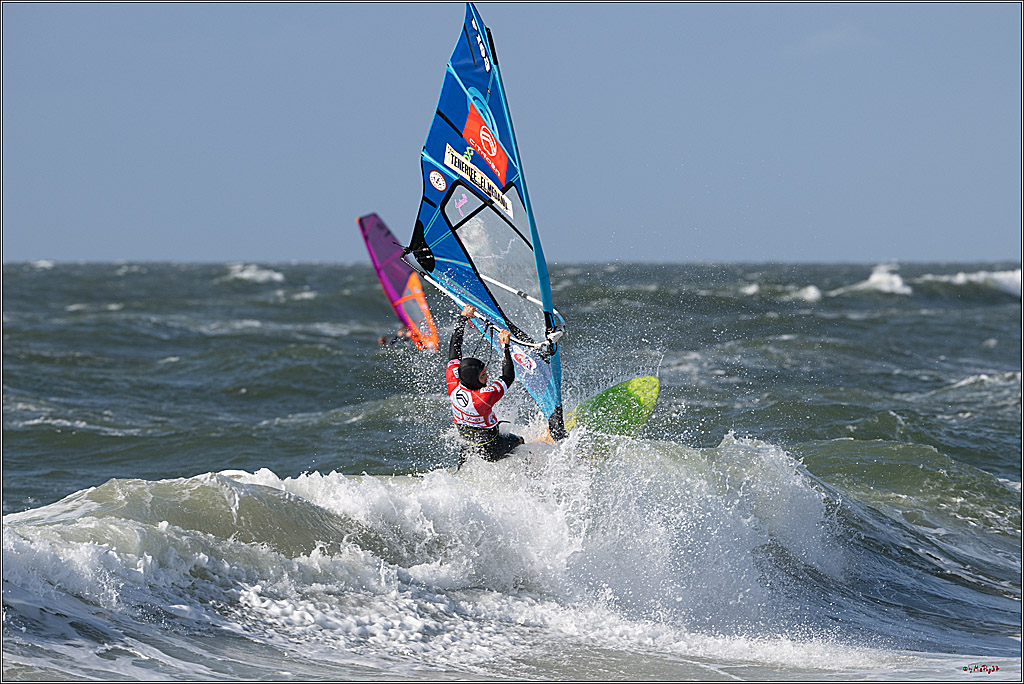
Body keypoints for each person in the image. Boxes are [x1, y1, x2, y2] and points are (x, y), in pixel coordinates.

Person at [447, 304, 525, 462]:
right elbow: (508, 376)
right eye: (483, 375)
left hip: (468, 442)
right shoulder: (484, 397)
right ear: (475, 379)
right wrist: (505, 346)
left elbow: (455, 349)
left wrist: (463, 318)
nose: (487, 376)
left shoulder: (454, 382)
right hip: (492, 448)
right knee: (520, 442)